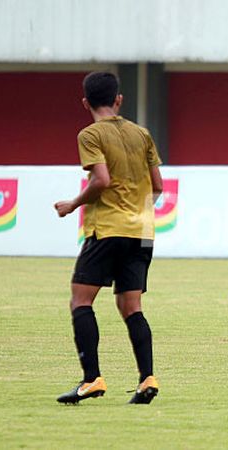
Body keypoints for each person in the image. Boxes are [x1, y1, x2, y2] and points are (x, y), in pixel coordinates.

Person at [54, 72, 163, 404]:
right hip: (142, 232)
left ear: (85, 102)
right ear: (119, 99)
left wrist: (73, 204)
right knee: (131, 306)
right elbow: (158, 185)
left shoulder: (90, 134)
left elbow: (101, 179)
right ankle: (147, 379)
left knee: (80, 300)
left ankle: (92, 380)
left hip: (107, 229)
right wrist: (138, 212)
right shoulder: (141, 133)